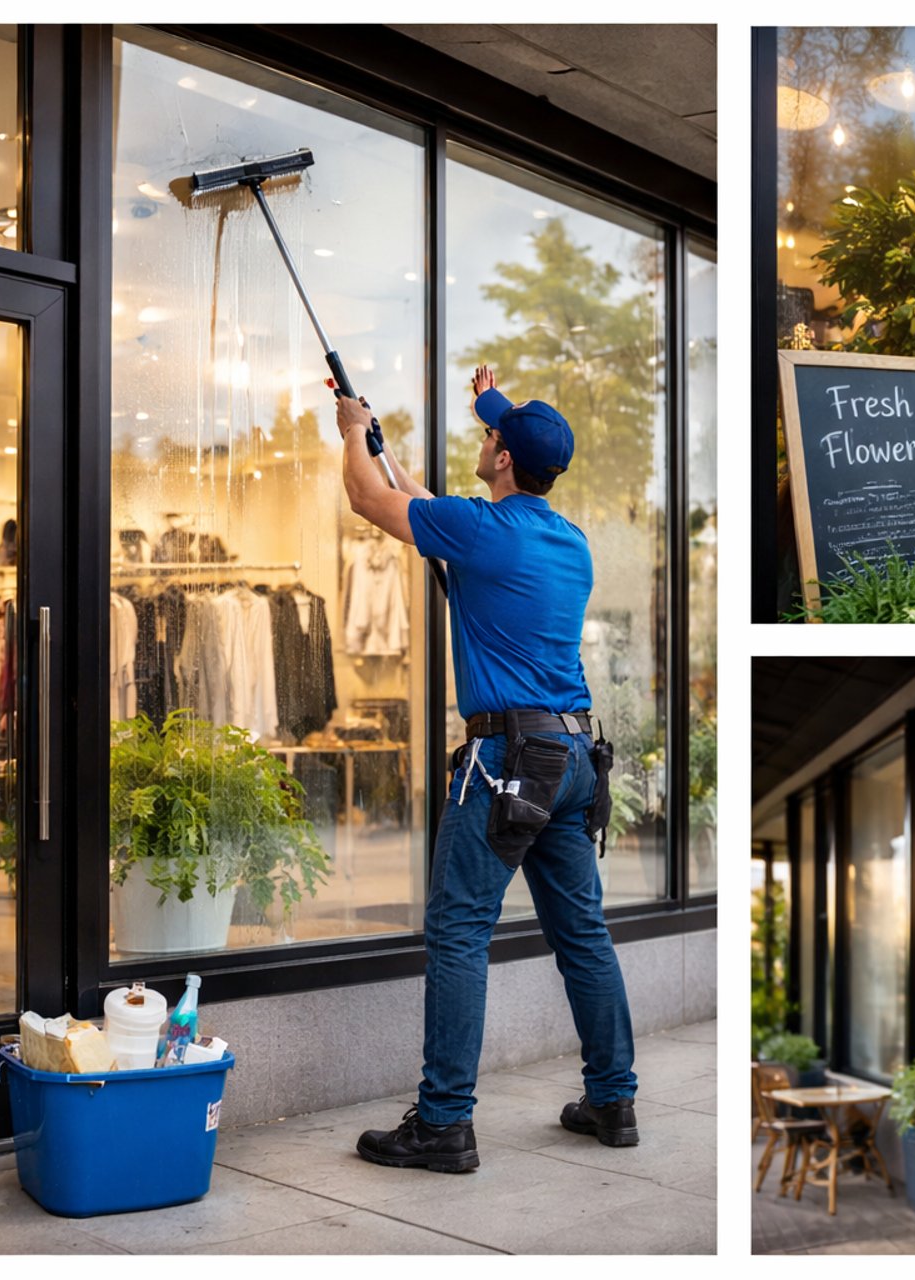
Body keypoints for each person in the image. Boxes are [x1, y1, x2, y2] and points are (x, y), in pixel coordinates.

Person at [335, 365, 638, 1174]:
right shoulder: (567, 542)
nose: (484, 437)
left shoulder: (480, 530)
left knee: (460, 932)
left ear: (503, 459)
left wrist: (351, 435)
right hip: (572, 760)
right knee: (584, 935)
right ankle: (613, 1099)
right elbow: (432, 505)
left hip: (508, 762)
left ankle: (443, 1123)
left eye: (490, 434)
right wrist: (404, 442)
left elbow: (369, 499)